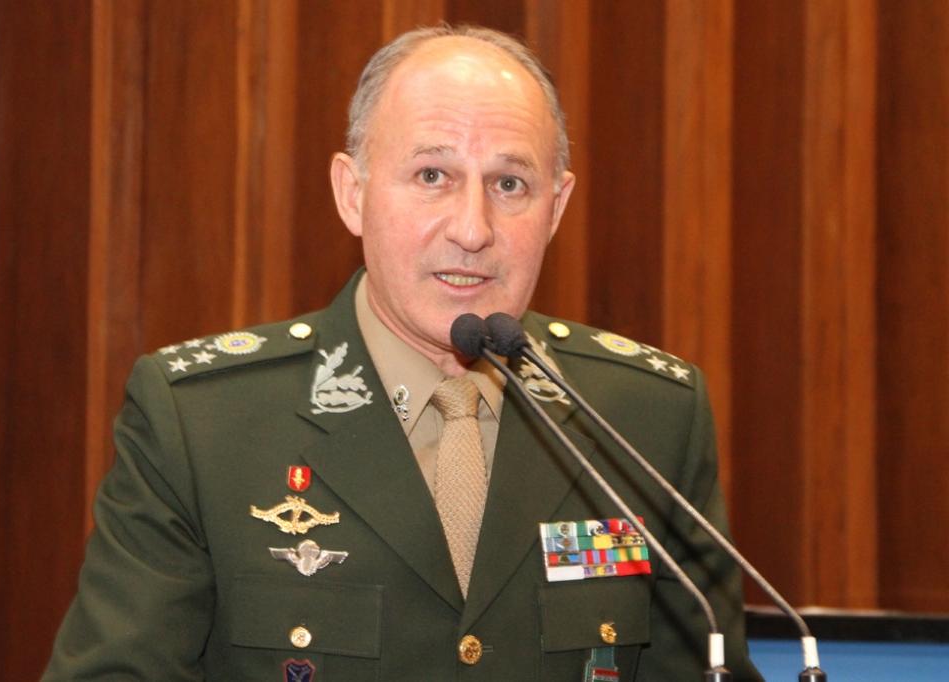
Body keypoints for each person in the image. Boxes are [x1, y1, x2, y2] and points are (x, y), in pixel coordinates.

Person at [44, 24, 760, 681]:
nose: (472, 229)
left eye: (510, 184)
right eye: (432, 176)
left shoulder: (644, 420)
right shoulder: (204, 424)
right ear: (351, 193)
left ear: (556, 208)